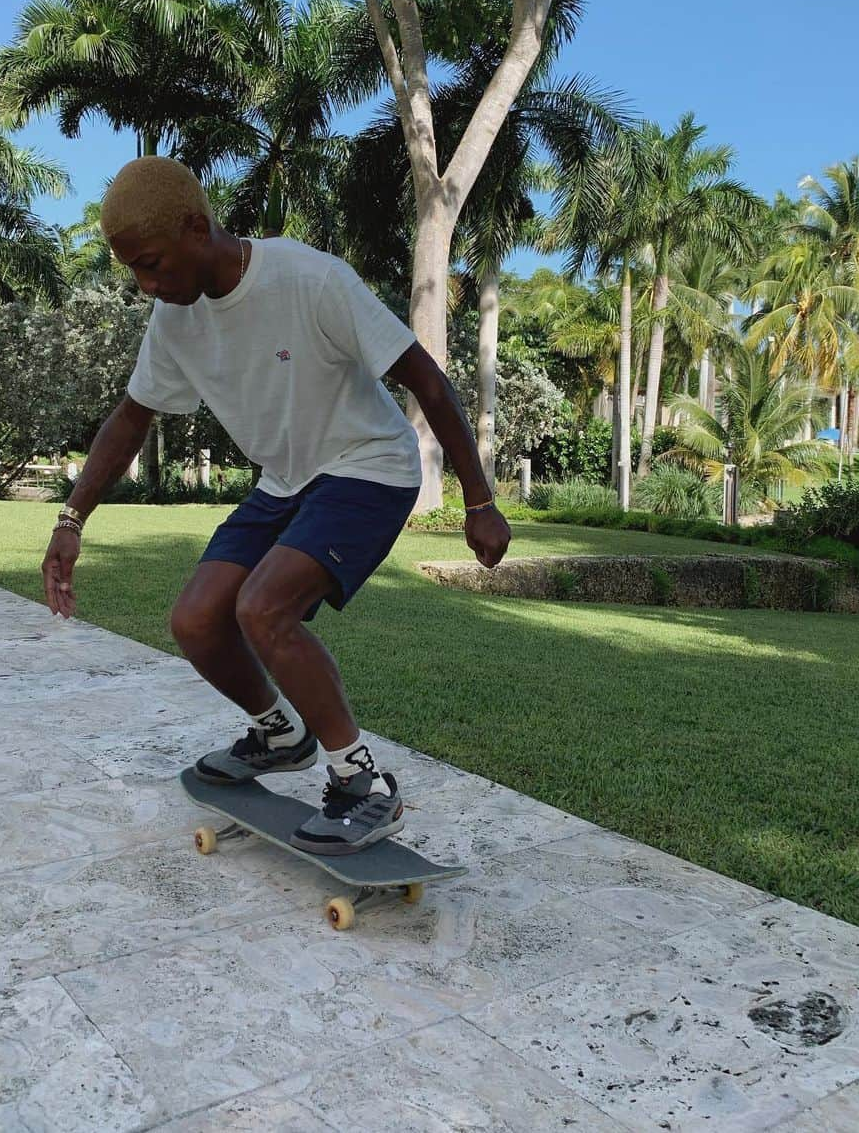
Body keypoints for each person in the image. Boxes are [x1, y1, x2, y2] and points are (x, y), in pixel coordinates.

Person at [41, 156, 511, 854]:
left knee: (262, 609)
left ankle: (363, 783)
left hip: (368, 468)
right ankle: (278, 733)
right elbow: (131, 420)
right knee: (196, 620)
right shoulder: (175, 319)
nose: (147, 285)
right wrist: (71, 520)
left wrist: (479, 500)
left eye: (154, 264)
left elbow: (427, 383)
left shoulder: (309, 279)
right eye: (135, 270)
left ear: (197, 229)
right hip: (286, 482)